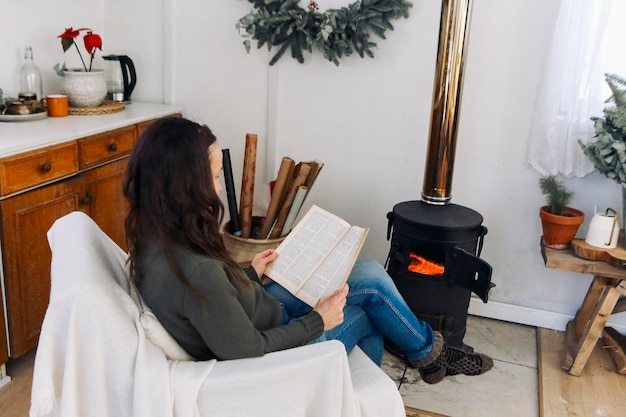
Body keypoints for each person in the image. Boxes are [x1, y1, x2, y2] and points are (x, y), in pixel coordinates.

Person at [123, 116, 493, 384]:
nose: (218, 189)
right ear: (185, 184)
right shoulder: (197, 272)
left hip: (261, 308)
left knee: (369, 274)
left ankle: (428, 354)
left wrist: (250, 272)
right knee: (367, 314)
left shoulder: (153, 235)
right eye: (215, 176)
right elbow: (247, 350)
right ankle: (413, 366)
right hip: (275, 347)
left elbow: (212, 303)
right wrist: (320, 320)